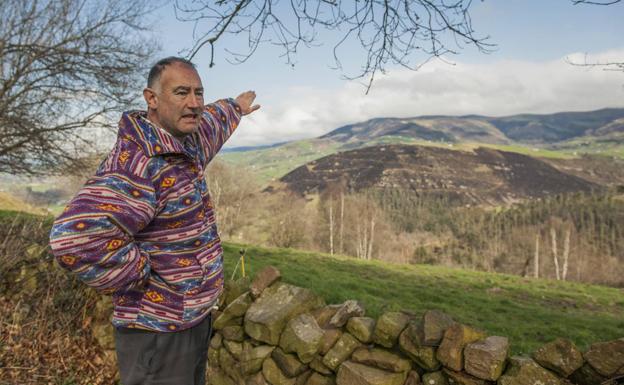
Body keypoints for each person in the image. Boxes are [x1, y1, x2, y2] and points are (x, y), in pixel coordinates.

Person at [49, 56, 260, 385]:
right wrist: (142, 276)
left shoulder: (184, 145)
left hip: (190, 319)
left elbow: (210, 124)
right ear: (152, 99)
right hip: (156, 333)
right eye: (180, 92)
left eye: (199, 93)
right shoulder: (137, 162)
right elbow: (75, 238)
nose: (193, 103)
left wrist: (235, 106)